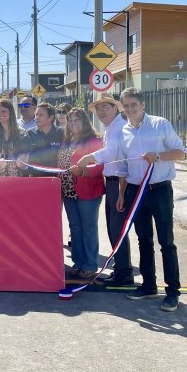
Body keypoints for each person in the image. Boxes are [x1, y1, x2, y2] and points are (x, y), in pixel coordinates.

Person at [116, 88, 184, 311]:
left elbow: (181, 152)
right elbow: (124, 167)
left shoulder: (160, 124)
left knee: (166, 241)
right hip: (135, 192)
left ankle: (172, 292)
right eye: (126, 106)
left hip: (159, 190)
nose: (130, 109)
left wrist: (158, 157)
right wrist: (121, 194)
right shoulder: (123, 131)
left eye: (133, 105)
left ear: (143, 104)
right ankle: (148, 285)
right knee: (143, 240)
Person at [77, 92, 133, 286]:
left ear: (115, 108)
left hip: (119, 182)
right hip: (111, 181)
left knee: (117, 229)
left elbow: (112, 152)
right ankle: (121, 269)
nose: (101, 111)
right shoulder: (111, 128)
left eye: (105, 107)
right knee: (113, 228)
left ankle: (124, 273)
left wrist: (88, 158)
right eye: (98, 108)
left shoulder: (120, 127)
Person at [58, 108, 105, 280]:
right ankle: (78, 263)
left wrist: (84, 171)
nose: (73, 123)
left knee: (88, 228)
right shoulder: (67, 140)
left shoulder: (94, 140)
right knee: (75, 228)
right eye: (70, 120)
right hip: (68, 191)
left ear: (85, 121)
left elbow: (100, 165)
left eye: (77, 120)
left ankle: (90, 265)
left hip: (88, 190)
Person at [0, 99, 31, 177]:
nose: (0, 114)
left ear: (11, 112)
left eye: (4, 111)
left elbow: (25, 156)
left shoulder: (22, 133)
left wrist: (20, 161)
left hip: (17, 178)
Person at [26, 102, 64, 177]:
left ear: (51, 118)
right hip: (36, 178)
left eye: (41, 115)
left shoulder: (62, 133)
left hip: (57, 178)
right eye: (36, 114)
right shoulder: (29, 134)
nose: (37, 117)